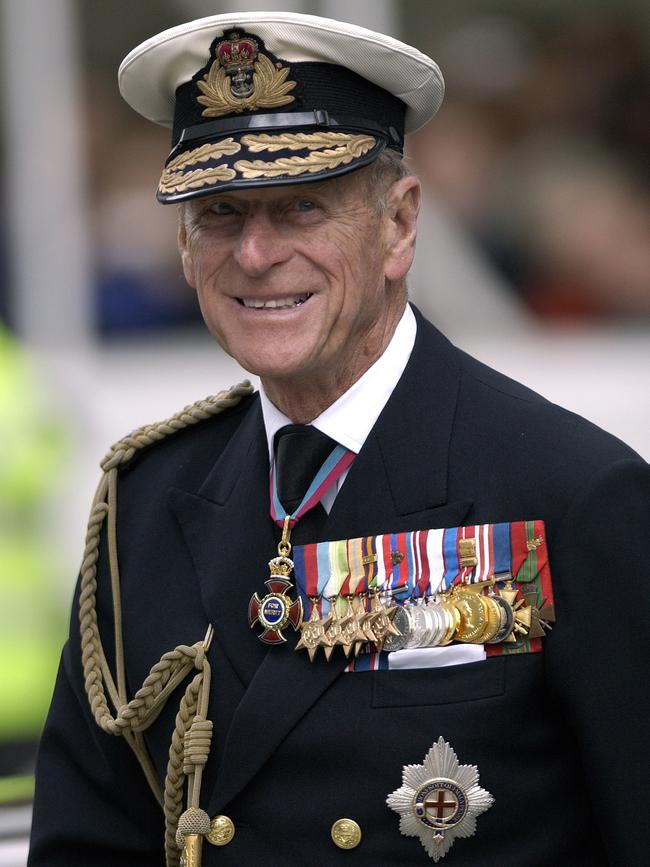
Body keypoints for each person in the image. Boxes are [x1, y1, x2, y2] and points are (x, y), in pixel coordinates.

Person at [28, 11, 649, 867]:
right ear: (181, 244)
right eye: (219, 214)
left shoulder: (572, 494)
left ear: (398, 225)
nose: (255, 252)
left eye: (301, 208)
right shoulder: (144, 504)